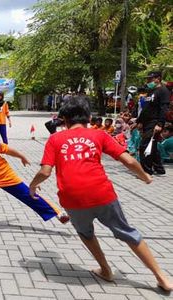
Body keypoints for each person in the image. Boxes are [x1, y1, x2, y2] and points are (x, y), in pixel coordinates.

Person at [29, 96, 172, 292]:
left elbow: (45, 171)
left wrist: (32, 186)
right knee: (128, 233)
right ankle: (161, 277)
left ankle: (105, 270)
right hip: (102, 194)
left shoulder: (55, 139)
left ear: (64, 119)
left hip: (72, 199)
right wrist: (145, 176)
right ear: (88, 117)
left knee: (86, 233)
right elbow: (129, 161)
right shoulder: (99, 135)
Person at [137, 71, 171, 175]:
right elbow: (146, 108)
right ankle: (159, 168)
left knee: (144, 145)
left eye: (151, 79)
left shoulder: (163, 91)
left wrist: (160, 124)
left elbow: (163, 109)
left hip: (154, 121)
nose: (148, 81)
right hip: (147, 122)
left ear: (158, 78)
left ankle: (146, 170)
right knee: (153, 145)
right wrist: (139, 121)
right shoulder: (151, 91)